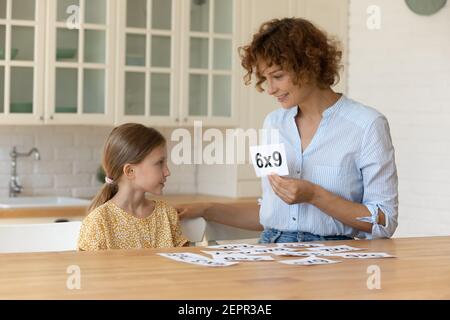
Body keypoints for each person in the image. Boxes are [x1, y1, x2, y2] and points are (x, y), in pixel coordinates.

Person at [176, 17, 398, 243]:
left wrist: (315, 195)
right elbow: (272, 212)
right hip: (272, 248)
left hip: (335, 256)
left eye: (278, 76)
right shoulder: (274, 123)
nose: (270, 89)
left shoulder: (367, 125)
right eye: (265, 78)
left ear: (309, 65)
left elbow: (384, 220)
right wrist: (207, 208)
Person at [78, 123, 188, 251]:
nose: (167, 172)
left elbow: (183, 263)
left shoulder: (167, 214)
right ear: (130, 171)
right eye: (160, 163)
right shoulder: (99, 222)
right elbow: (91, 270)